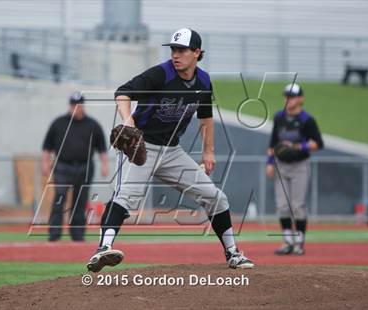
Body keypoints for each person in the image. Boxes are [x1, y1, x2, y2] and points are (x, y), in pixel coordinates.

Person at [87, 28, 254, 272]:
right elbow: (123, 93)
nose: (176, 55)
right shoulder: (161, 74)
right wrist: (127, 121)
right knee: (126, 197)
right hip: (140, 147)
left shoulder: (204, 81)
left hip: (172, 152)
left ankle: (233, 254)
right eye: (173, 50)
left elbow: (205, 118)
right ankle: (103, 249)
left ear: (196, 53)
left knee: (216, 197)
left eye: (182, 50)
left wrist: (209, 152)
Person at [42, 92, 109, 241]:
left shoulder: (92, 125)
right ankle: (54, 234)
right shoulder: (58, 123)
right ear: (70, 106)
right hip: (62, 166)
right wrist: (45, 164)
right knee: (59, 197)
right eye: (74, 105)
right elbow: (47, 147)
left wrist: (105, 165)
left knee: (80, 200)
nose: (76, 108)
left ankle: (77, 235)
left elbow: (102, 148)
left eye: (79, 105)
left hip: (84, 167)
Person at [266, 83, 324, 255]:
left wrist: (297, 146)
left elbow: (318, 143)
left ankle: (299, 243)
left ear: (301, 99)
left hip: (300, 165)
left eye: (291, 96)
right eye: (286, 96)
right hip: (281, 165)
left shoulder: (306, 120)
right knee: (282, 205)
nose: (288, 99)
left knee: (297, 205)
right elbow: (273, 143)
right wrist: (269, 162)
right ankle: (287, 242)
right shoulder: (279, 117)